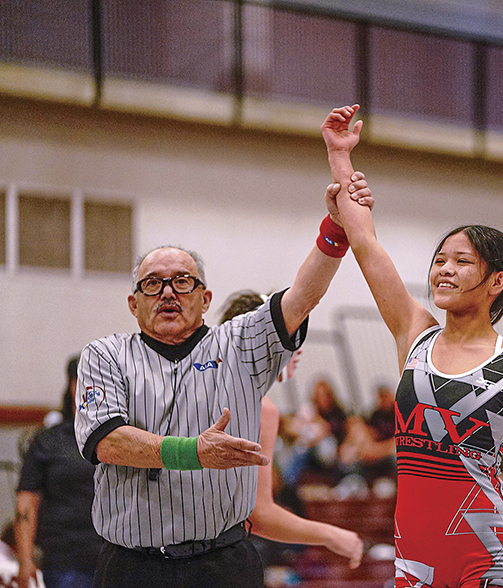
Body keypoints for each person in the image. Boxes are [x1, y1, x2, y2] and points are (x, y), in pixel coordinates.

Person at [323, 104, 503, 588]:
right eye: (439, 260)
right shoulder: (414, 333)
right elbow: (364, 242)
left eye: (461, 262)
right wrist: (339, 155)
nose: (443, 270)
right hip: (414, 562)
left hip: (487, 557)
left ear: (497, 281)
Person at [73, 166, 371, 587]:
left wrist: (335, 228)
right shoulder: (105, 354)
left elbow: (304, 293)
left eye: (182, 281)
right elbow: (106, 441)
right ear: (132, 303)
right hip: (132, 566)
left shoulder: (240, 343)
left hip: (223, 563)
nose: (168, 292)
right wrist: (194, 452)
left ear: (205, 297)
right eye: (152, 284)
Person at [218, 290, 363, 567]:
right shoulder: (260, 408)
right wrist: (330, 534)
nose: (299, 345)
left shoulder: (198, 380)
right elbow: (258, 515)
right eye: (289, 334)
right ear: (258, 340)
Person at [16, 356, 104, 588]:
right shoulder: (48, 440)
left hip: (118, 558)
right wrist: (25, 560)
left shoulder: (122, 440)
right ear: (73, 386)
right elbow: (27, 502)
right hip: (66, 563)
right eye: (83, 381)